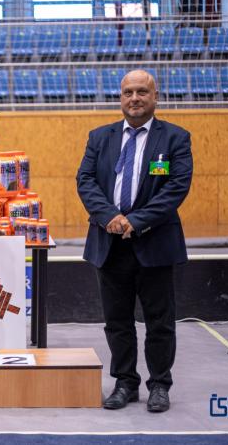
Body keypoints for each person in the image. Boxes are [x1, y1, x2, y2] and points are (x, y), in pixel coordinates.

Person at [76, 69, 193, 413]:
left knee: (160, 322)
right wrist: (110, 217)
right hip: (109, 242)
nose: (135, 98)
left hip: (155, 243)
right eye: (128, 92)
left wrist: (135, 221)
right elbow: (85, 181)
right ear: (120, 97)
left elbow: (176, 188)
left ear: (156, 97)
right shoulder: (100, 137)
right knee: (117, 322)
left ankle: (159, 385)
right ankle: (125, 383)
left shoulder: (175, 138)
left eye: (142, 91)